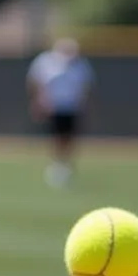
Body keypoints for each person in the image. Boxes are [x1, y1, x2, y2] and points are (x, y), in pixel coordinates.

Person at [26, 36, 95, 187]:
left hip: (72, 107)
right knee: (57, 138)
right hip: (54, 106)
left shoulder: (81, 65)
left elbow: (85, 86)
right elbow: (35, 81)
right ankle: (56, 166)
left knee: (70, 138)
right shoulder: (45, 62)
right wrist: (38, 102)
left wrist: (85, 104)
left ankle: (67, 166)